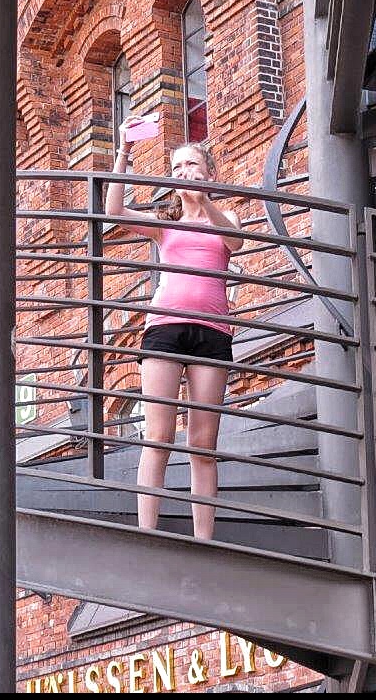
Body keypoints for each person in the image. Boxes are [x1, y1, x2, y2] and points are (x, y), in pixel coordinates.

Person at [106, 114, 243, 540]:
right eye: (178, 167)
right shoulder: (165, 225)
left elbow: (235, 243)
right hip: (164, 328)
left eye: (192, 165)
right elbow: (112, 210)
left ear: (208, 173)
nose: (184, 173)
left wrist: (206, 200)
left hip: (213, 332)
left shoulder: (228, 218)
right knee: (159, 436)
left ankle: (205, 540)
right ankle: (148, 533)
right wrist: (125, 151)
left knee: (202, 444)